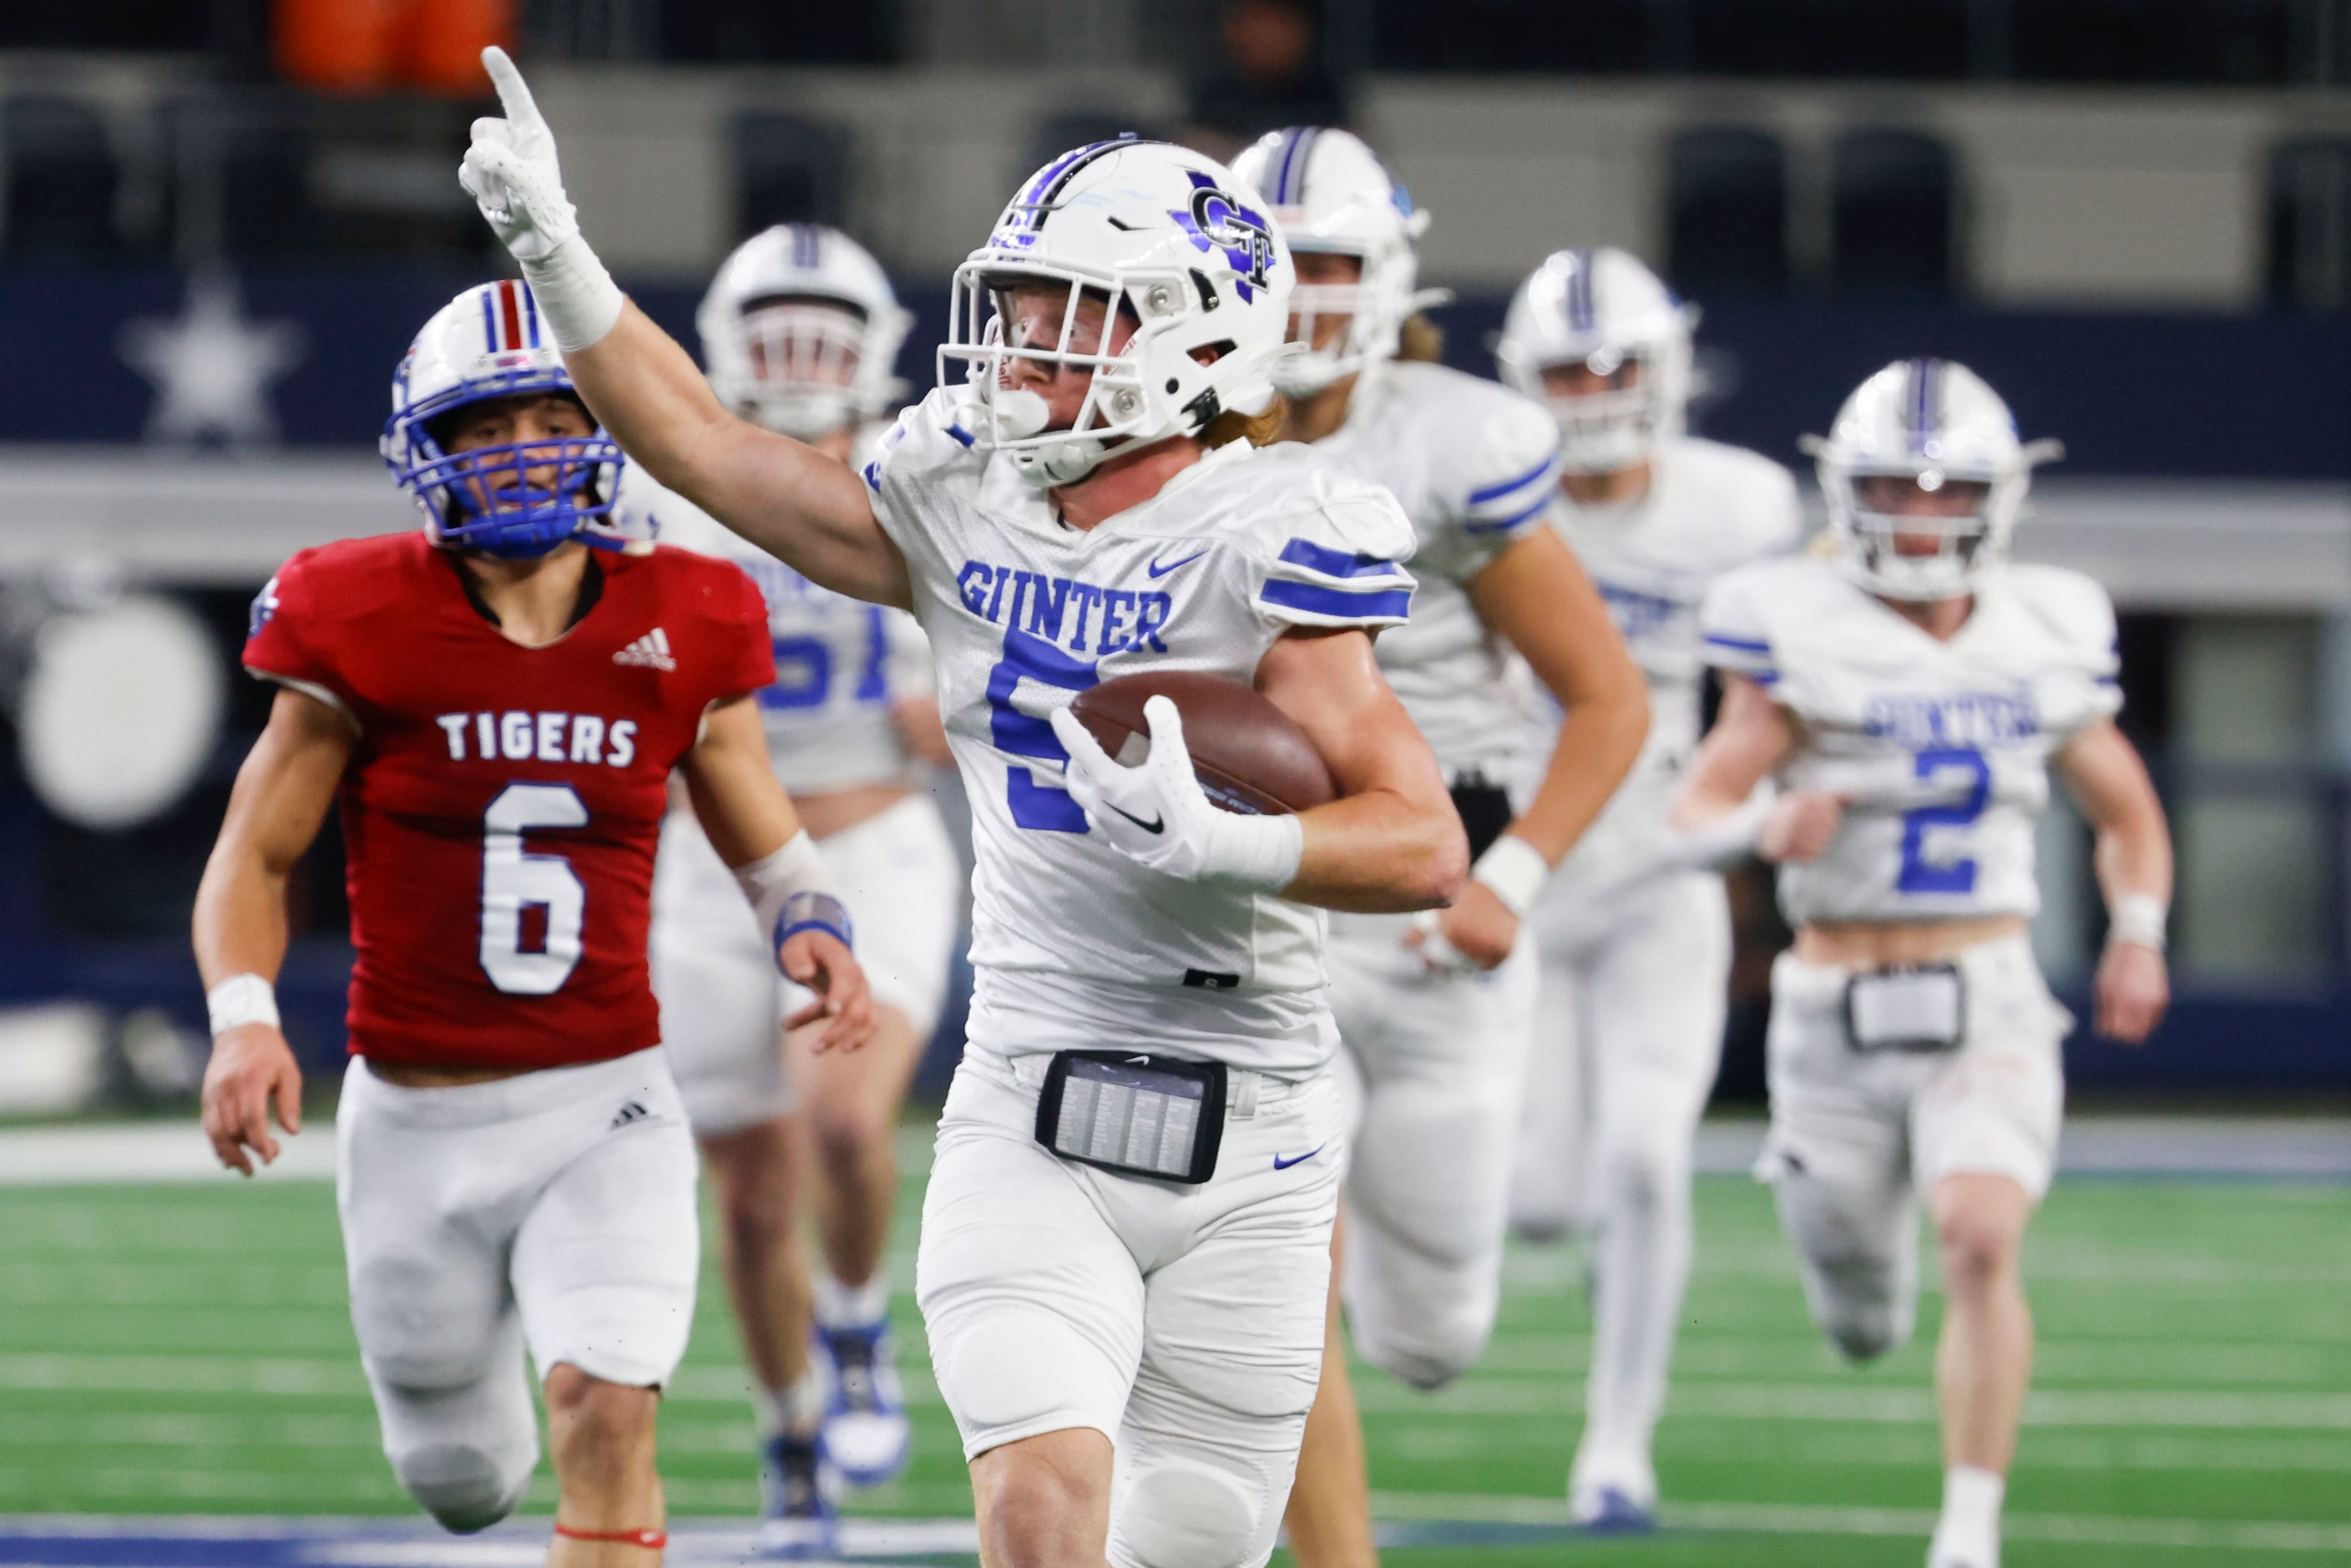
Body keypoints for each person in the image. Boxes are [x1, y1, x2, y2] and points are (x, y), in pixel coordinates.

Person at [459, 54, 1471, 1568]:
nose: (1020, 344)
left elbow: (1424, 843)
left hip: (1252, 1130)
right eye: (1019, 304)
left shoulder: (1270, 534)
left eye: (1073, 313)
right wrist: (557, 252)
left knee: (1189, 1541)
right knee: (1039, 1508)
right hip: (1029, 1099)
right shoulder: (961, 491)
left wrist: (1231, 841)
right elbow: (711, 450)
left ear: (1191, 333)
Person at [192, 279, 874, 1567]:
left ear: (607, 430)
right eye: (487, 428)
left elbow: (764, 834)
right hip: (413, 1117)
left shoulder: (687, 611)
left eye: (552, 417)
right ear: (429, 450)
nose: (524, 453)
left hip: (602, 1101)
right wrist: (241, 1021)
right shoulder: (354, 614)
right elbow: (255, 851)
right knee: (460, 1478)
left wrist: (811, 920)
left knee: (607, 1405)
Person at [1227, 130, 1650, 1568]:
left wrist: (1513, 880)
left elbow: (1610, 694)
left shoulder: (1455, 442)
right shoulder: (1173, 427)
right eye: (1273, 263)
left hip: (1431, 909)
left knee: (1434, 1335)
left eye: (1329, 264)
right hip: (1262, 907)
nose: (1298, 296)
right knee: (1287, 1271)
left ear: (1388, 271)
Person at [1676, 358, 2172, 1568]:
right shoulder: (1794, 620)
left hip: (1988, 992)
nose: (1920, 516)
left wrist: (2140, 930)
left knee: (1982, 1237)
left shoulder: (2046, 626)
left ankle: (1967, 1527)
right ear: (1847, 495)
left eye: (1950, 492)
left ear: (1997, 500)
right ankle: (1862, 1283)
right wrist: (1758, 832)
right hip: (1831, 1002)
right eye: (1896, 488)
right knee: (1861, 1311)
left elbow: (2127, 811)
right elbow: (1695, 807)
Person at [634, 222, 957, 1552]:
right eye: (777, 329)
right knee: (752, 1193)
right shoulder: (662, 487)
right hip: (711, 874)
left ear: (875, 343)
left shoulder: (928, 476)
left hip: (874, 846)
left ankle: (861, 1318)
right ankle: (790, 1435)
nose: (801, 358)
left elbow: (1002, 650)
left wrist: (956, 700)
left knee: (840, 1127)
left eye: (825, 331)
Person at [1491, 246, 1802, 1529]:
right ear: (1525, 382)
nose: (1600, 388)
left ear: (1671, 367)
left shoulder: (1743, 505)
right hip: (1516, 867)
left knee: (1644, 1159)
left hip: (1665, 868)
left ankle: (1618, 1444)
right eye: (1572, 367)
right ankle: (1593, 1262)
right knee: (1545, 1202)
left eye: (1621, 362)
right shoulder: (1486, 493)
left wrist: (1766, 814)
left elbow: (1789, 681)